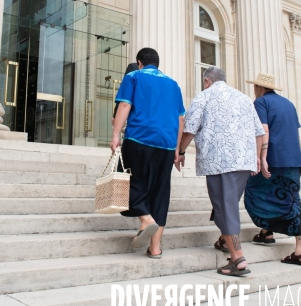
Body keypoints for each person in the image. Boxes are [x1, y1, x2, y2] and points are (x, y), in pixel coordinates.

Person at [176, 67, 265, 276]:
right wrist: (258, 157)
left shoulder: (204, 96)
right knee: (227, 204)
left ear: (207, 81)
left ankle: (238, 258)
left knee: (225, 207)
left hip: (220, 161)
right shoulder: (243, 98)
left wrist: (180, 150)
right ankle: (226, 242)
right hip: (244, 161)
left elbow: (190, 128)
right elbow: (259, 132)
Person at [110, 48, 185, 259]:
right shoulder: (173, 84)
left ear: (139, 62)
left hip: (139, 140)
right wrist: (178, 150)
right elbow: (181, 119)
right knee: (160, 195)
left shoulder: (134, 76)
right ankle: (155, 248)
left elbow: (125, 104)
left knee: (125, 183)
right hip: (167, 146)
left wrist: (116, 134)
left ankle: (146, 219)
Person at [244, 72, 301, 266]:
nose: (254, 90)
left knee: (253, 192)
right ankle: (267, 232)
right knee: (292, 201)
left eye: (255, 87)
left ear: (260, 88)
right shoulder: (289, 104)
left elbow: (263, 130)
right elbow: (296, 134)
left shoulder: (260, 103)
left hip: (273, 158)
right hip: (292, 160)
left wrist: (261, 157)